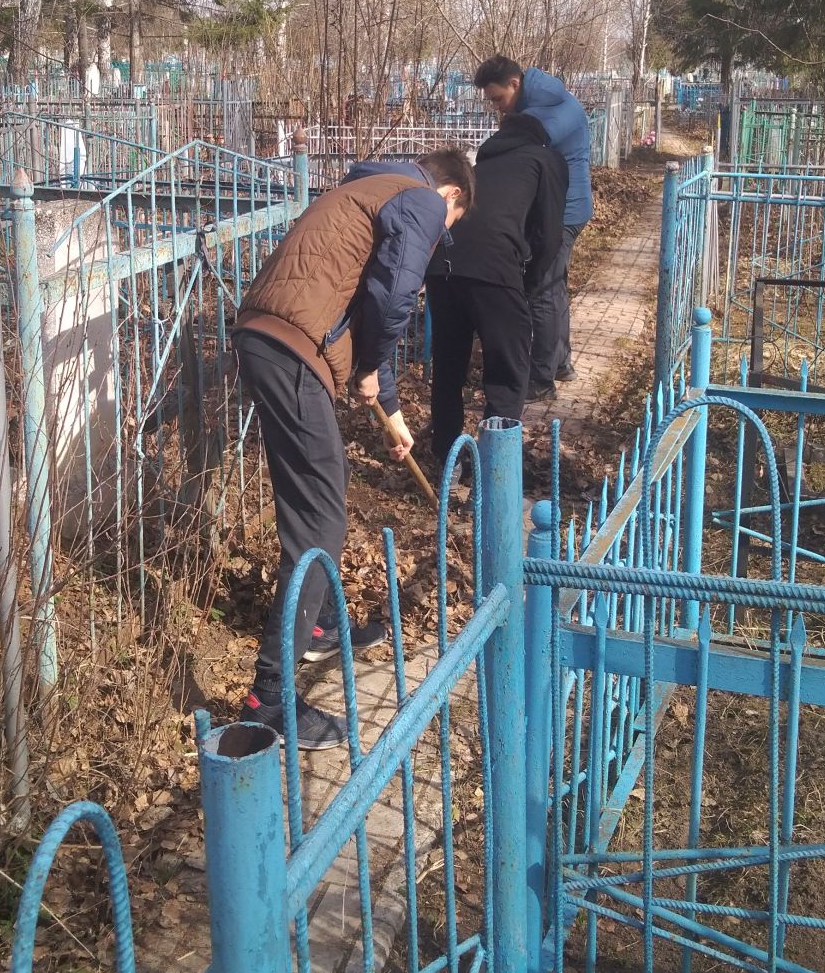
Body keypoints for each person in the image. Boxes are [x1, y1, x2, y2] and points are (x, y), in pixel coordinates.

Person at [233, 147, 475, 749]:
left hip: (274, 338)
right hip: (293, 349)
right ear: (452, 198)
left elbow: (369, 305)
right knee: (318, 521)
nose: (440, 238)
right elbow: (394, 299)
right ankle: (269, 698)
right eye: (452, 228)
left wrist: (389, 409)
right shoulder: (420, 199)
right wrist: (368, 365)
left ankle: (313, 622)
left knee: (327, 486)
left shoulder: (372, 191)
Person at [425, 114, 567, 464]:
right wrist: (529, 284)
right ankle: (495, 468)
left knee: (448, 368)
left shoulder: (480, 166)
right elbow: (549, 236)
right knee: (508, 371)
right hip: (495, 270)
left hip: (442, 264)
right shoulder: (545, 159)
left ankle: (446, 461)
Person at [472, 56, 593, 399]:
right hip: (560, 206)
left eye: (498, 99)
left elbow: (514, 149)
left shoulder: (547, 111)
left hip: (562, 211)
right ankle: (560, 363)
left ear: (515, 84)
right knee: (555, 285)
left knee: (542, 288)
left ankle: (541, 380)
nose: (497, 109)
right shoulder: (540, 101)